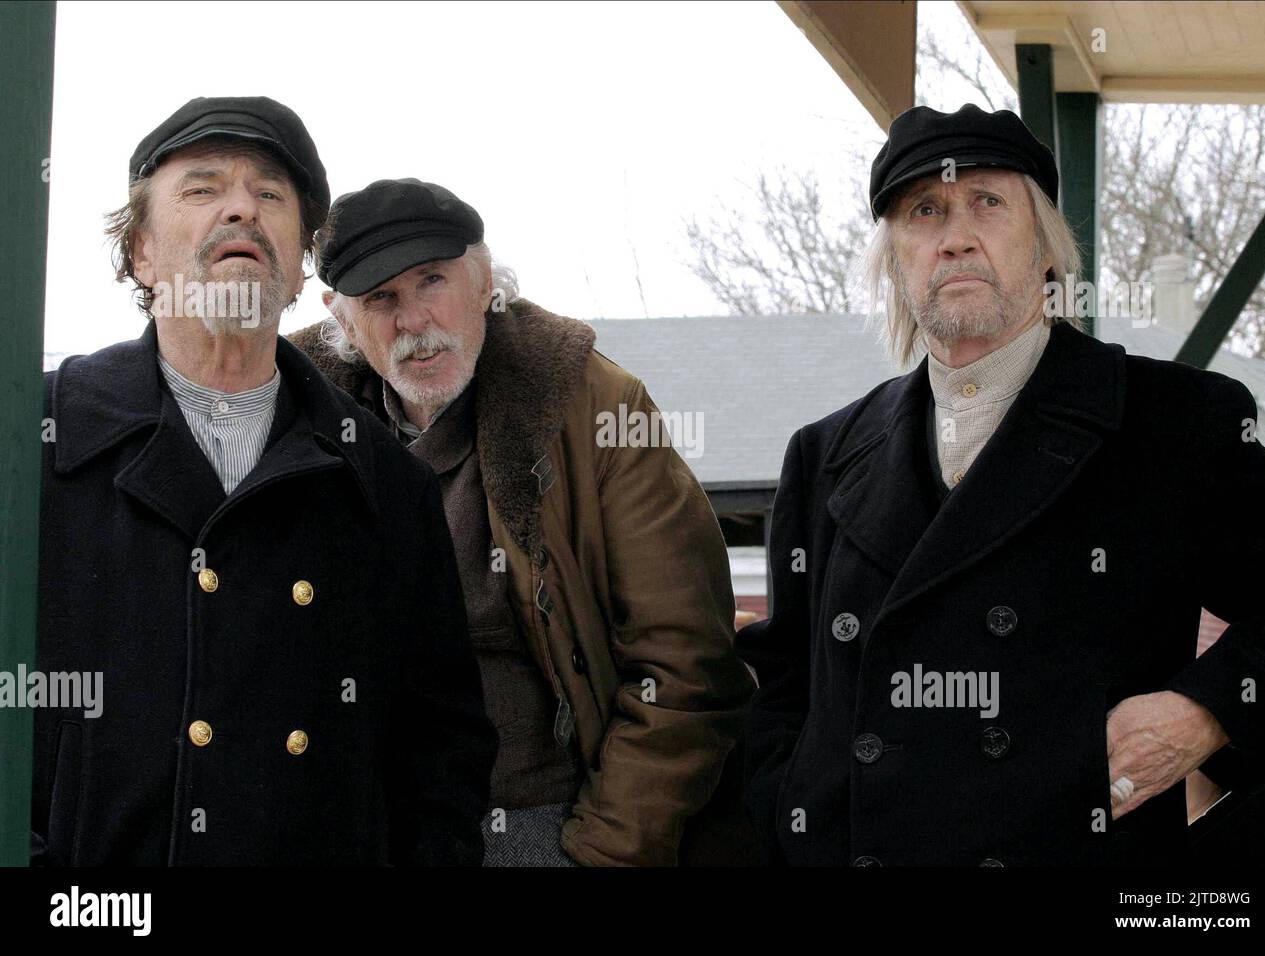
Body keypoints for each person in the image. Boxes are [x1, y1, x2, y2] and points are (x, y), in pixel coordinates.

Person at [738, 103, 1265, 866]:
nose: (955, 235)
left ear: (1044, 246)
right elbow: (783, 690)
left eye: (988, 202)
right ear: (897, 260)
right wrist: (789, 808)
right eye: (923, 211)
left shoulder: (1174, 423)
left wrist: (1204, 712)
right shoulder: (824, 455)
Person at [31, 98, 495, 866]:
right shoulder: (34, 445)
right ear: (142, 253)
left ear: (299, 270)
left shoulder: (383, 482)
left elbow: (442, 751)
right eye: (203, 188)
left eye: (271, 195)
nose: (243, 207)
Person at [288, 178, 756, 865]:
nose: (414, 320)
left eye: (432, 281)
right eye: (381, 298)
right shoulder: (297, 420)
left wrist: (600, 852)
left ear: (485, 283)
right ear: (342, 319)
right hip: (366, 827)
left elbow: (686, 663)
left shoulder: (594, 407)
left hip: (548, 824)